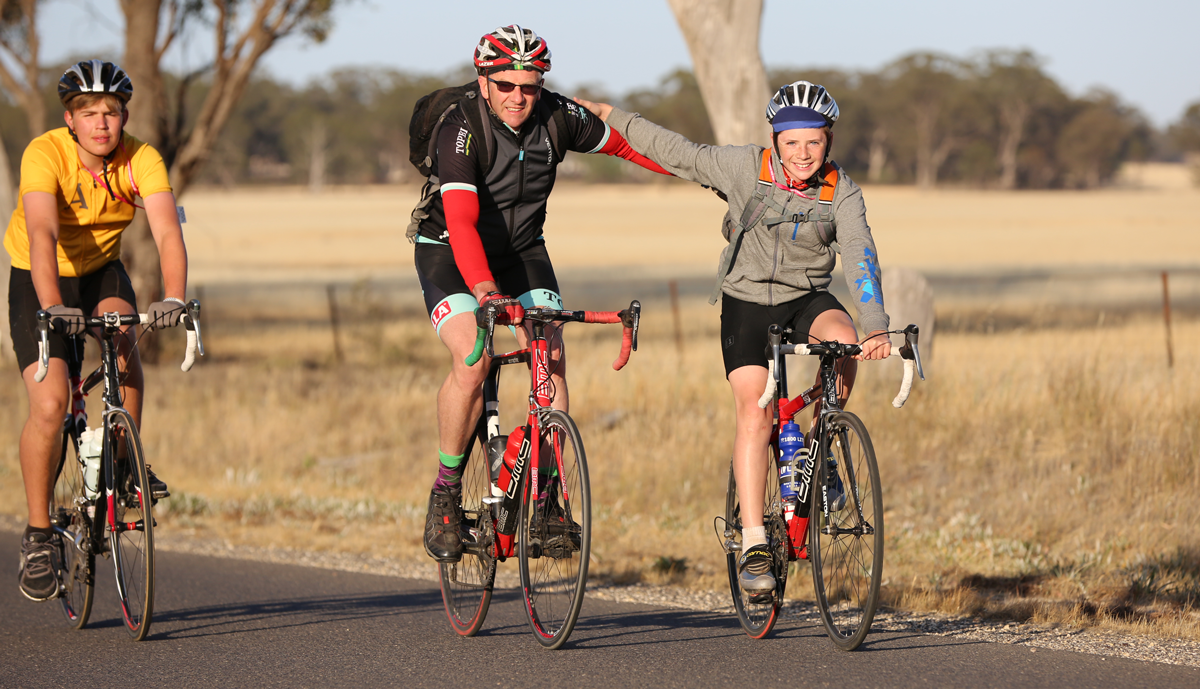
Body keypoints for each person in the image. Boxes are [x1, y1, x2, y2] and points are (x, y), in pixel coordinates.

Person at [574, 81, 890, 593]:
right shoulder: (745, 167)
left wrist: (876, 323)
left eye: (814, 142)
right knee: (755, 410)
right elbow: (679, 152)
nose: (803, 154)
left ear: (828, 141)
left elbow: (859, 254)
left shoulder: (843, 191)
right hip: (746, 302)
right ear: (775, 140)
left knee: (845, 338)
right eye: (792, 142)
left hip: (806, 296)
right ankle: (754, 542)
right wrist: (614, 116)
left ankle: (823, 440)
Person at [416, 25, 669, 563]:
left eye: (529, 86)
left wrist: (699, 171)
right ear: (483, 81)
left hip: (523, 251)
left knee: (548, 357)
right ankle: (444, 492)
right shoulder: (460, 128)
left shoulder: (557, 117)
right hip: (450, 251)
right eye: (505, 85)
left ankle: (549, 501)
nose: (517, 97)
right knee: (474, 357)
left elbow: (625, 146)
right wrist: (484, 292)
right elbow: (461, 222)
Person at [9, 60, 189, 601]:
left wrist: (174, 295)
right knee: (49, 405)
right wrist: (50, 306)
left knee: (124, 339)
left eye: (111, 112)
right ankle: (39, 534)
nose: (102, 124)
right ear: (70, 119)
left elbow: (166, 228)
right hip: (40, 276)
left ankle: (124, 461)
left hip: (100, 270)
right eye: (89, 114)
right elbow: (41, 233)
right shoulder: (45, 153)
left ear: (124, 115)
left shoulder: (142, 158)